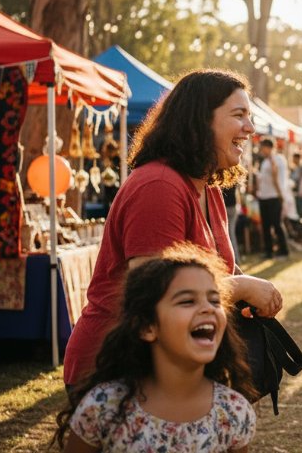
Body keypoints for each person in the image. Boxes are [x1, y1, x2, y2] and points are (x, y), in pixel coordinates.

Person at [63, 69, 283, 389]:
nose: (250, 128)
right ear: (199, 120)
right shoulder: (159, 185)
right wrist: (244, 287)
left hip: (170, 370)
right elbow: (153, 293)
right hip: (116, 371)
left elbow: (215, 274)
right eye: (239, 115)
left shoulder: (208, 188)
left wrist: (243, 299)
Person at [54, 243, 257, 452]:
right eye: (187, 301)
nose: (208, 308)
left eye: (215, 301)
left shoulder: (232, 412)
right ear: (147, 327)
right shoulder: (104, 407)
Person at [254, 138, 290, 258]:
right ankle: (269, 251)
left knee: (276, 224)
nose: (261, 150)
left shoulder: (277, 159)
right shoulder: (265, 161)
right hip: (264, 197)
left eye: (262, 147)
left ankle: (284, 250)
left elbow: (277, 178)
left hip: (274, 197)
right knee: (266, 226)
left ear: (268, 147)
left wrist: (281, 195)